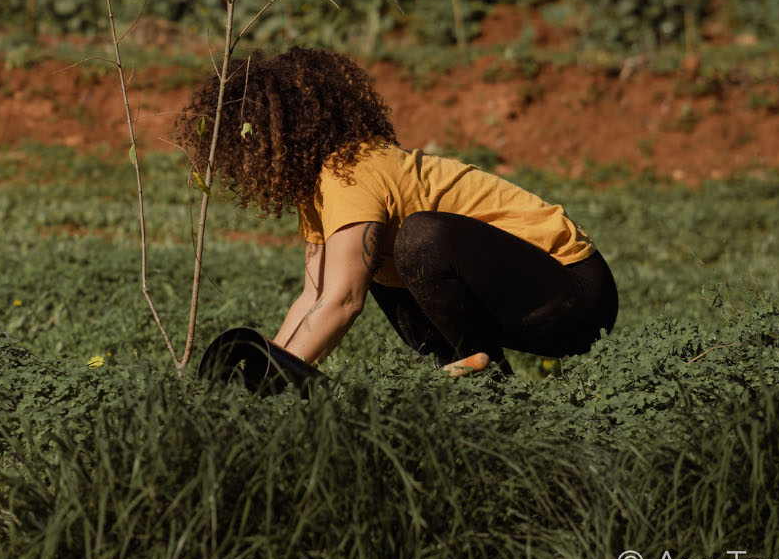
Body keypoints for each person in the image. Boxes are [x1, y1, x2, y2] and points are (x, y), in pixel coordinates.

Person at [175, 47, 616, 377]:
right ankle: (486, 391)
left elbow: (343, 303)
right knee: (379, 264)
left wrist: (276, 379)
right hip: (519, 299)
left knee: (417, 238)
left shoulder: (349, 173)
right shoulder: (316, 193)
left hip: (575, 295)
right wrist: (269, 366)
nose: (246, 160)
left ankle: (480, 376)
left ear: (283, 134)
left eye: (250, 143)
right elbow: (314, 296)